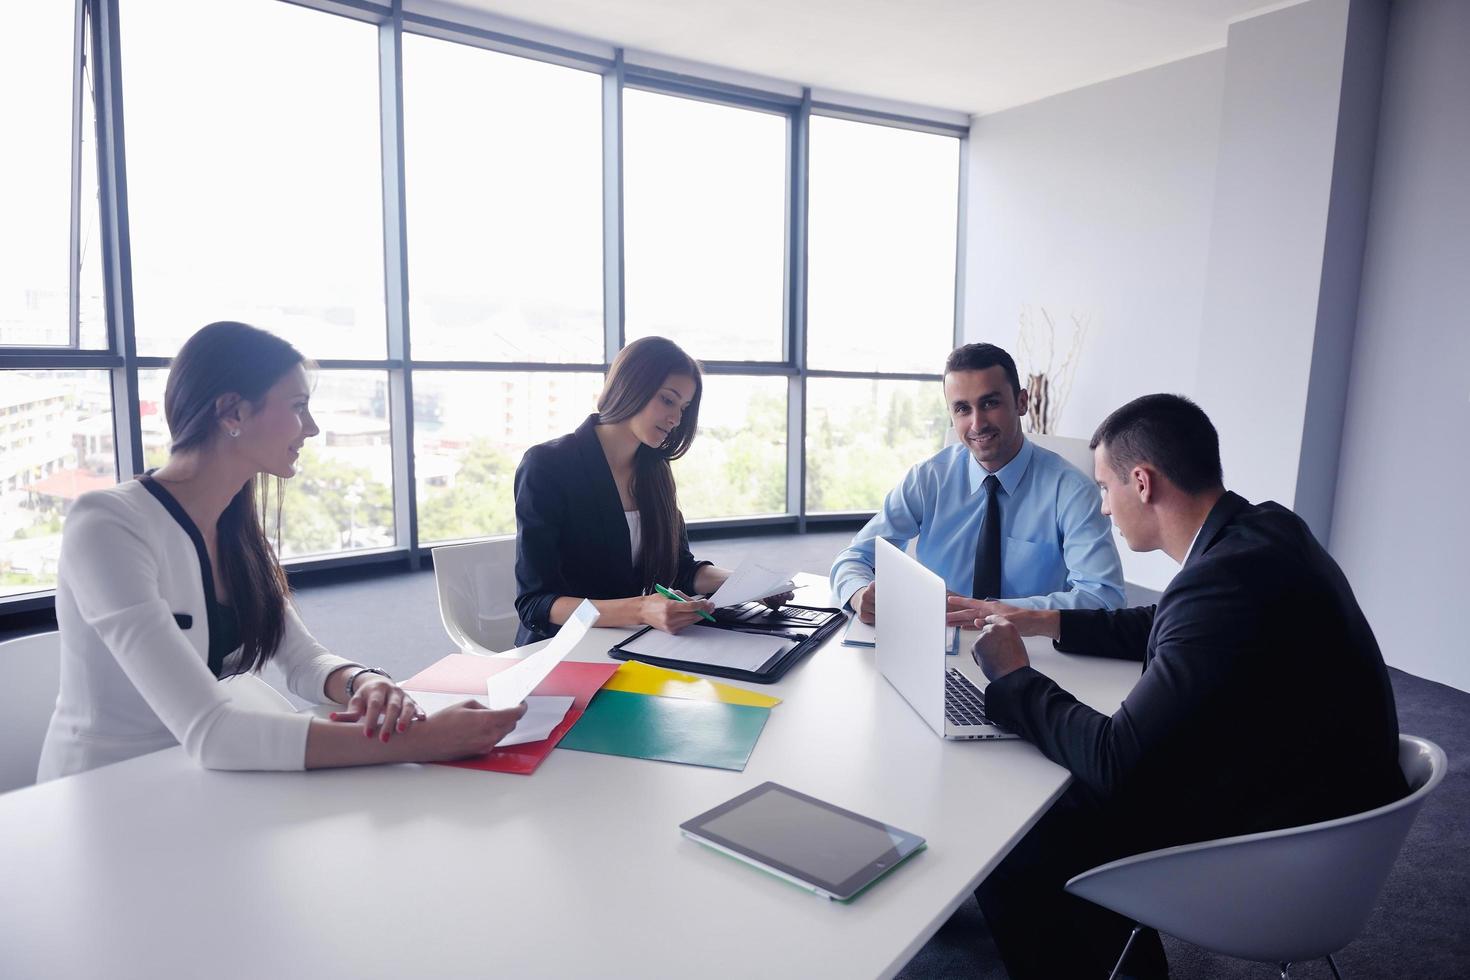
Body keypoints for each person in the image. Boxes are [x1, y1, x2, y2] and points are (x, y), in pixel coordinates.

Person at [963, 394, 1406, 979]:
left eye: (1103, 488)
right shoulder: (1262, 532)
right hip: (1338, 816)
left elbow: (1116, 759)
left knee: (1023, 828)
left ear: (1141, 482)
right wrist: (1044, 620)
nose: (1102, 509)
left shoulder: (1220, 583)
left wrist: (1016, 678)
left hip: (1284, 853)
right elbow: (1170, 620)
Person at [38, 322, 526, 782]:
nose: (310, 428)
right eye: (297, 405)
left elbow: (303, 660)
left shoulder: (235, 529)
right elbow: (213, 732)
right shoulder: (108, 524)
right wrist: (419, 741)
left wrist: (363, 683)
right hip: (110, 790)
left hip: (205, 778)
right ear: (232, 412)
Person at [513, 336, 788, 646]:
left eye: (683, 407)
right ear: (631, 386)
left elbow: (680, 569)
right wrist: (642, 610)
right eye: (667, 400)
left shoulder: (653, 470)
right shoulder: (548, 465)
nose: (676, 419)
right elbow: (536, 604)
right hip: (559, 649)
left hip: (627, 640)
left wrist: (749, 585)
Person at [830, 342, 1124, 625]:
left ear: (1021, 402)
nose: (977, 423)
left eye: (990, 403)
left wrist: (987, 611)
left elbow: (1104, 597)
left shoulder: (1072, 491)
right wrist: (858, 594)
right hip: (936, 642)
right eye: (962, 409)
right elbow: (854, 558)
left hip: (1031, 648)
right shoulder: (928, 479)